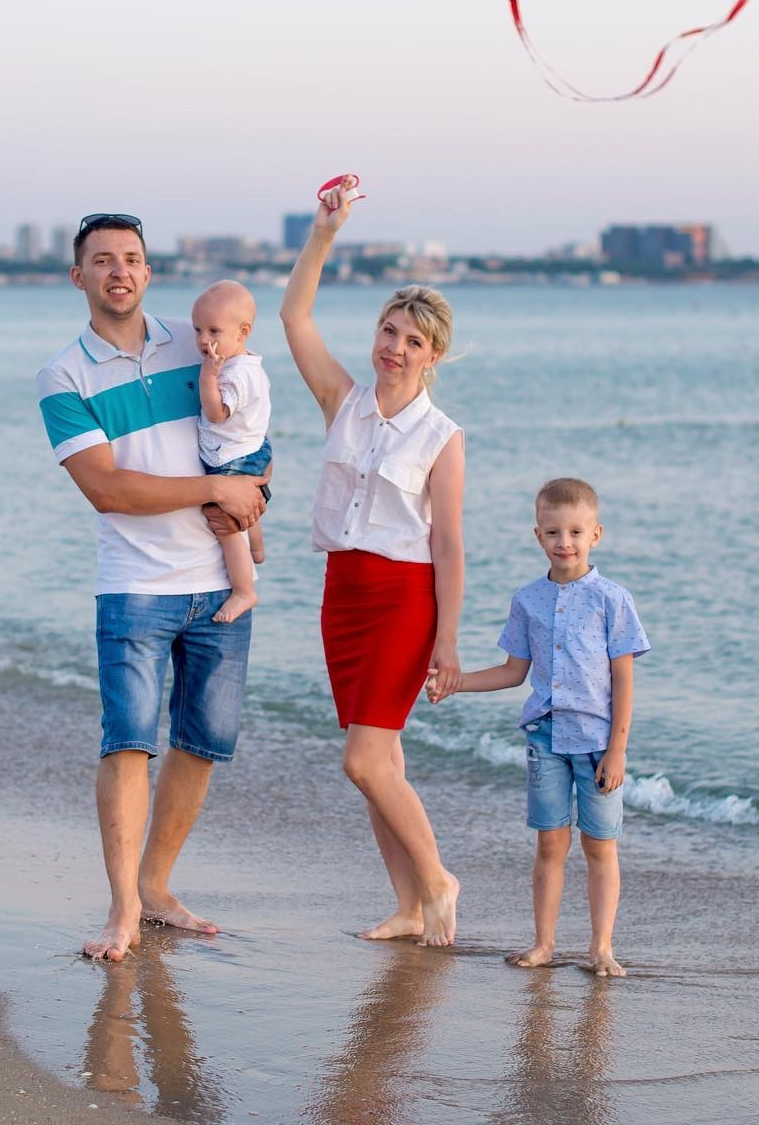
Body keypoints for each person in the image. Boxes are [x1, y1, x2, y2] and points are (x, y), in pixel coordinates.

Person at [36, 213, 269, 961]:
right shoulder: (63, 377)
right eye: (103, 260)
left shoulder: (197, 338)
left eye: (132, 258)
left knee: (200, 744)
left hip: (219, 583)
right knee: (129, 744)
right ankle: (122, 909)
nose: (120, 271)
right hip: (134, 586)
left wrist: (256, 493)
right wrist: (215, 489)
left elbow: (252, 433)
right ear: (79, 276)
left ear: (148, 270)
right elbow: (107, 490)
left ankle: (157, 887)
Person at [280, 176, 464, 948]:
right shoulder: (342, 401)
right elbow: (295, 316)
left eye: (412, 341)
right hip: (343, 598)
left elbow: (448, 544)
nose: (395, 348)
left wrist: (447, 641)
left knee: (363, 760)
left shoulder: (442, 436)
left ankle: (439, 881)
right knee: (381, 761)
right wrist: (324, 233)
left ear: (433, 356)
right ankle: (409, 907)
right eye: (389, 331)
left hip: (403, 600)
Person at [429, 477, 650, 977]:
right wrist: (455, 684)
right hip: (545, 739)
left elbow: (623, 680)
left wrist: (618, 750)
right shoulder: (527, 600)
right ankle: (544, 944)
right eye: (553, 532)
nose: (564, 542)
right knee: (550, 844)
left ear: (596, 535)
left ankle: (601, 947)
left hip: (597, 743)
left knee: (600, 845)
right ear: (538, 536)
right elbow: (513, 671)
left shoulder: (613, 600)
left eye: (575, 532)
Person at [191, 279, 272, 625]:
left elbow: (216, 413)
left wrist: (208, 378)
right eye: (198, 330)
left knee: (225, 525)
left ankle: (244, 589)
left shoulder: (235, 375)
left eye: (214, 331)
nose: (203, 340)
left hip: (234, 458)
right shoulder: (248, 364)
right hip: (250, 448)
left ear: (243, 332)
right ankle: (257, 549)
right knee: (246, 507)